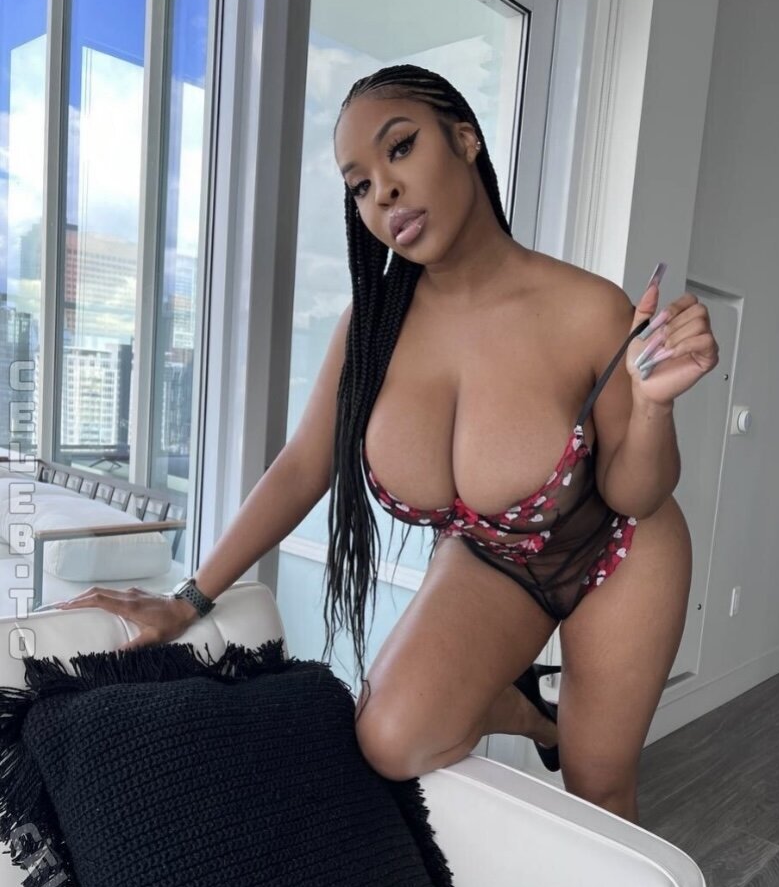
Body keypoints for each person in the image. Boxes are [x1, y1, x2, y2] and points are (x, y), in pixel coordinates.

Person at [51, 65, 719, 825]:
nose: (385, 192)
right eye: (360, 186)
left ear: (465, 139)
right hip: (493, 557)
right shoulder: (371, 328)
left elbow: (636, 491)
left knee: (599, 786)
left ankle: (593, 811)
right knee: (390, 739)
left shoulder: (587, 307)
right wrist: (189, 599)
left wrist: (654, 406)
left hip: (621, 549)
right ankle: (536, 712)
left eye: (400, 148)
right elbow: (303, 466)